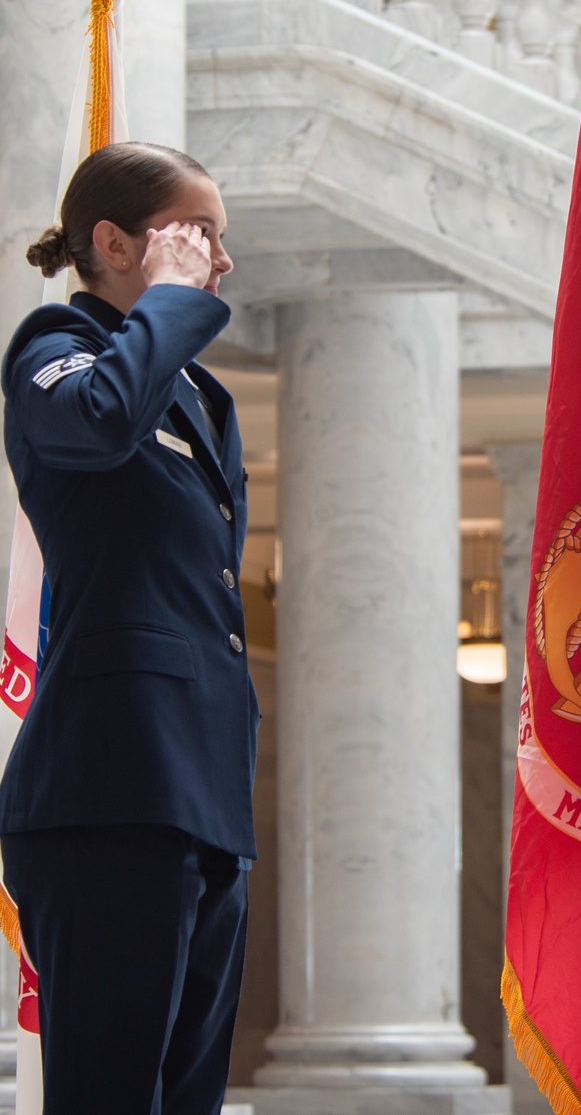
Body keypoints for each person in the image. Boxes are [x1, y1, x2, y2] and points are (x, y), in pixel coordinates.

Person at [0, 141, 259, 1114]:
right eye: (198, 235)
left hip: (202, 795)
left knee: (184, 1098)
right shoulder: (51, 351)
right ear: (113, 242)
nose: (219, 262)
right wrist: (167, 304)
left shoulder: (201, 398)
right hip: (105, 793)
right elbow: (102, 422)